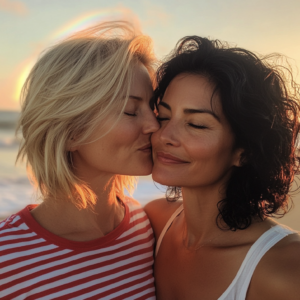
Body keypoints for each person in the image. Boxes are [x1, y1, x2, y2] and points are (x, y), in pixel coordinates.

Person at [0, 22, 159, 299]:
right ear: (71, 131)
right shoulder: (7, 255)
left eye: (153, 107)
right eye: (131, 111)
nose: (154, 125)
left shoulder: (147, 227)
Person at [145, 36, 300, 300]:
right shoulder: (153, 221)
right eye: (163, 116)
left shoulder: (285, 267)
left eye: (197, 125)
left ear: (245, 152)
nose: (164, 136)